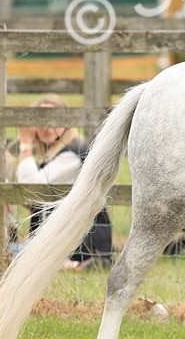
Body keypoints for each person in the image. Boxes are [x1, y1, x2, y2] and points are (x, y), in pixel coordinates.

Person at [14, 95, 112, 269]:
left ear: (66, 123)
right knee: (9, 251)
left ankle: (76, 265)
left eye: (54, 120)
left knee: (12, 254)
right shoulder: (51, 154)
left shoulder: (72, 154)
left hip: (83, 242)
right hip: (61, 238)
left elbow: (29, 187)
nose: (47, 127)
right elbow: (34, 197)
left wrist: (25, 143)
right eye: (41, 120)